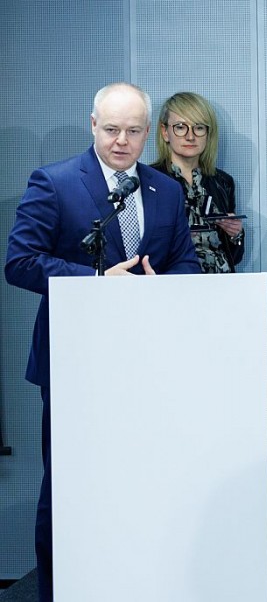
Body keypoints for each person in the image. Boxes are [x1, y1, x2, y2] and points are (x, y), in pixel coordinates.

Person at [5, 82, 200, 602]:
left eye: (133, 131)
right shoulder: (55, 182)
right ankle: (59, 592)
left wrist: (164, 286)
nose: (121, 141)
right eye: (111, 129)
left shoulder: (166, 190)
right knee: (70, 487)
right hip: (77, 364)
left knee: (140, 482)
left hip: (149, 364)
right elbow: (20, 262)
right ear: (93, 125)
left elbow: (186, 263)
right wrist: (94, 281)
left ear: (148, 132)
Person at [152, 92, 244, 272]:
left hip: (222, 282)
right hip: (173, 280)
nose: (190, 136)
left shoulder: (223, 182)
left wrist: (236, 235)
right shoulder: (150, 180)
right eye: (180, 127)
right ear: (165, 132)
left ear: (208, 133)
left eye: (199, 128)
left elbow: (235, 257)